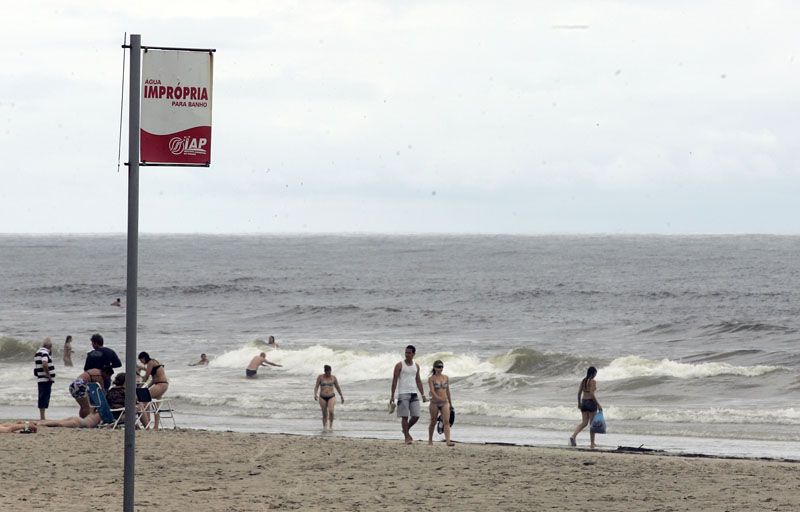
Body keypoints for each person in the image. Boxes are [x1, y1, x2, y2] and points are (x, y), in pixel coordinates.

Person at [390, 344, 427, 444]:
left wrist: (423, 394)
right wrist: (392, 396)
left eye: (409, 353)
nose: (407, 354)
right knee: (404, 417)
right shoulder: (399, 365)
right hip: (403, 393)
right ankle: (407, 437)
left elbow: (418, 380)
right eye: (406, 352)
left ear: (414, 354)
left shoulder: (416, 366)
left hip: (414, 393)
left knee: (416, 416)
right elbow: (394, 381)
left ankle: (405, 430)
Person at [570, 366, 603, 449]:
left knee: (584, 422)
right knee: (592, 424)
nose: (595, 375)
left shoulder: (583, 381)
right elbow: (592, 394)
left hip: (584, 402)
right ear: (593, 373)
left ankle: (573, 436)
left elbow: (578, 393)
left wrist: (579, 403)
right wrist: (598, 404)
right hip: (591, 403)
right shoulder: (593, 381)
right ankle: (592, 443)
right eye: (595, 373)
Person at [139, 351, 169, 429]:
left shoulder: (150, 362)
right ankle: (156, 426)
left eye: (141, 360)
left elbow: (147, 376)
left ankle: (147, 422)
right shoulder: (155, 362)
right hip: (163, 384)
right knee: (156, 407)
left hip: (160, 384)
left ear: (143, 358)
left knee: (145, 399)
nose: (141, 362)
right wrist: (146, 387)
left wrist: (140, 386)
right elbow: (153, 379)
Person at [427, 360, 454, 446]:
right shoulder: (431, 379)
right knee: (433, 421)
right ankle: (430, 440)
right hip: (434, 403)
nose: (440, 369)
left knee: (446, 421)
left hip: (445, 402)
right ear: (434, 368)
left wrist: (450, 403)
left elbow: (448, 391)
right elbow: (432, 391)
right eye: (438, 367)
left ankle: (448, 441)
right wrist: (437, 398)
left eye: (441, 367)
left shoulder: (446, 377)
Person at [313, 365, 344, 431]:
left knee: (331, 411)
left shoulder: (333, 378)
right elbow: (316, 386)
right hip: (322, 397)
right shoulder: (320, 377)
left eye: (329, 372)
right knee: (324, 413)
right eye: (327, 372)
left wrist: (341, 396)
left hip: (331, 396)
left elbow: (337, 387)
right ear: (325, 371)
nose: (328, 374)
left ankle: (330, 426)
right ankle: (325, 427)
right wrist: (315, 394)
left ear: (331, 371)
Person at [34, 337, 56, 420]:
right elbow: (44, 364)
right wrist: (49, 376)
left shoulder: (37, 353)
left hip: (40, 378)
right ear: (49, 346)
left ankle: (42, 416)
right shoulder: (44, 353)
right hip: (45, 379)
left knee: (42, 396)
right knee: (44, 397)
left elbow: (38, 366)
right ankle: (42, 417)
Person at [37, 411, 102, 429]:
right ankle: (41, 424)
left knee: (59, 421)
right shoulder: (102, 415)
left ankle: (38, 422)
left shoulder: (96, 410)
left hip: (80, 420)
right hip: (80, 423)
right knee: (60, 424)